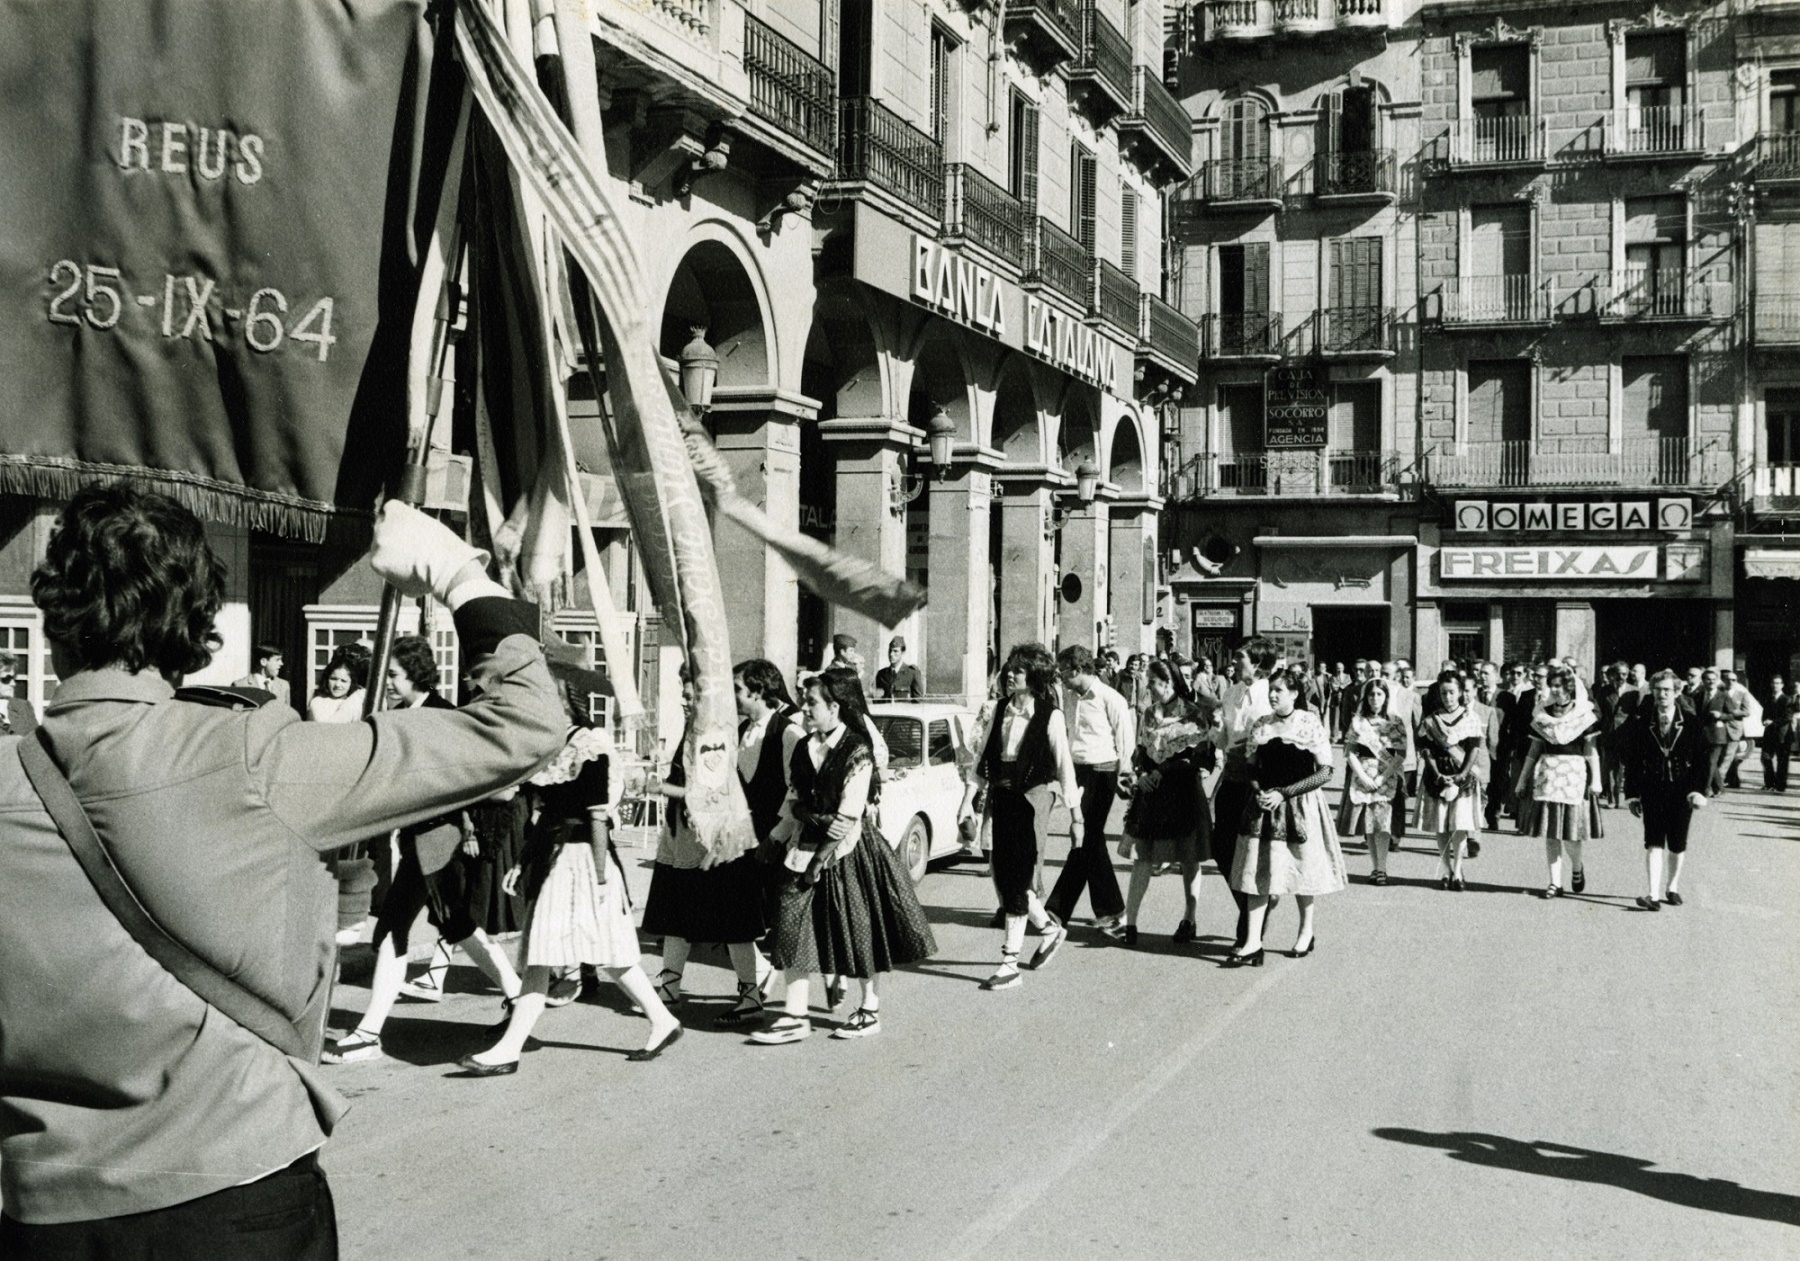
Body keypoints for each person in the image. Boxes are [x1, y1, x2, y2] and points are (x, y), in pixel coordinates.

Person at [0, 488, 564, 1256]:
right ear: (197, 625)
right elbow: (527, 720)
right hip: (235, 1191)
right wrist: (456, 569)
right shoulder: (249, 756)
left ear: (53, 618)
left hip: (44, 1209)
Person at [323, 635, 527, 1061]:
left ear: (416, 674)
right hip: (419, 839)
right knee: (456, 924)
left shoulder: (447, 716)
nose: (391, 683)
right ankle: (517, 996)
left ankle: (368, 1032)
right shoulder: (401, 715)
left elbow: (485, 780)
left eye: (395, 675)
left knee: (392, 929)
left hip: (442, 840)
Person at [460, 689, 682, 1074]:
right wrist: (522, 861)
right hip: (556, 859)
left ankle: (661, 1021)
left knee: (599, 953)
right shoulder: (553, 747)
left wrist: (599, 877)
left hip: (582, 861)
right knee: (548, 956)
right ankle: (661, 1021)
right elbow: (544, 817)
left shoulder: (590, 747)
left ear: (563, 705)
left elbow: (597, 818)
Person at [751, 672, 936, 1040]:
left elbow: (848, 816)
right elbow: (793, 801)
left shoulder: (857, 750)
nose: (804, 707)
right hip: (805, 844)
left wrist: (818, 861)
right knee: (791, 923)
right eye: (804, 700)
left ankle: (869, 1007)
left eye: (812, 702)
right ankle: (795, 1015)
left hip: (848, 850)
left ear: (834, 707)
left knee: (857, 927)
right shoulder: (805, 746)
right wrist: (773, 841)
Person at [637, 663, 783, 1027]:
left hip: (714, 841)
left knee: (732, 921)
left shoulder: (714, 734)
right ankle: (670, 987)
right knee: (676, 915)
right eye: (682, 694)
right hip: (682, 836)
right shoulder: (694, 728)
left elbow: (708, 794)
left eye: (689, 695)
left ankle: (751, 993)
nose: (683, 701)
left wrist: (658, 788)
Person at [965, 644, 1079, 990]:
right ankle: (1047, 928)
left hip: (1033, 799)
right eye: (1009, 668)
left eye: (1019, 669)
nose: (1010, 674)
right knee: (1004, 872)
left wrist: (1077, 817)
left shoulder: (1050, 715)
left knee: (1019, 876)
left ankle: (1009, 963)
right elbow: (982, 760)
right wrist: (966, 801)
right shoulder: (998, 709)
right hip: (1002, 797)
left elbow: (1065, 768)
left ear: (1035, 676)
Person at [1225, 670, 1345, 965]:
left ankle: (1306, 931)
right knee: (1257, 873)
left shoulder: (1308, 723)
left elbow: (1325, 771)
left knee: (1300, 870)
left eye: (1279, 690)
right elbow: (1251, 767)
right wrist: (1259, 792)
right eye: (1271, 691)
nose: (1273, 695)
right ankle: (1253, 942)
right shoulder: (1262, 725)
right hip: (1265, 805)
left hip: (1301, 805)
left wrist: (1286, 793)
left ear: (1294, 693)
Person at [1116, 659, 1216, 943]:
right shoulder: (1149, 714)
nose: (1149, 687)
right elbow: (1142, 751)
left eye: (1153, 683)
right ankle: (1131, 922)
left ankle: (1189, 917)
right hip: (1153, 792)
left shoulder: (1193, 714)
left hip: (1182, 790)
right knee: (1142, 856)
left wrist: (1163, 770)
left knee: (1189, 857)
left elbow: (1197, 755)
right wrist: (1143, 774)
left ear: (1169, 682)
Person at [1045, 645, 1134, 935]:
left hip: (1103, 773)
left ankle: (1057, 910)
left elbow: (1125, 741)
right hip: (1078, 772)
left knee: (1088, 837)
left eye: (1063, 672)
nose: (1061, 678)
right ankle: (1111, 911)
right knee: (1089, 841)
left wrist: (1125, 775)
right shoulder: (1069, 698)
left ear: (1077, 670)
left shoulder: (1111, 698)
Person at [1621, 670, 1711, 912]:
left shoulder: (1692, 723)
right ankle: (1653, 894)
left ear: (1677, 692)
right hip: (1652, 788)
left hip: (1682, 790)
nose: (1662, 694)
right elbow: (1633, 761)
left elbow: (1703, 760)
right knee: (1653, 841)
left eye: (1667, 690)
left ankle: (1671, 887)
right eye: (1658, 690)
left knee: (1677, 843)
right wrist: (1632, 794)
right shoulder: (1642, 723)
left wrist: (1698, 790)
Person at [1514, 666, 1603, 900]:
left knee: (1572, 834)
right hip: (1548, 776)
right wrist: (1522, 780)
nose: (1553, 690)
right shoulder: (1542, 714)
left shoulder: (1583, 714)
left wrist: (1597, 780)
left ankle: (1576, 866)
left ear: (1569, 688)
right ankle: (1554, 882)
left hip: (1574, 776)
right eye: (1551, 685)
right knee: (1551, 833)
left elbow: (1591, 750)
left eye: (1558, 686)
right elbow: (1533, 751)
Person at [1213, 639, 1276, 951]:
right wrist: (1212, 730)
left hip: (1258, 781)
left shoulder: (1270, 694)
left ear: (1259, 664)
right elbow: (1223, 739)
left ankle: (1250, 936)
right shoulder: (1231, 692)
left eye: (1240, 658)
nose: (1234, 662)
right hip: (1231, 777)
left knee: (1252, 855)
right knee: (1220, 847)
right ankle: (1255, 907)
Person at [1415, 671, 1487, 892]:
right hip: (1437, 776)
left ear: (1460, 692)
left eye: (1452, 692)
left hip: (1462, 776)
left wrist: (1462, 774)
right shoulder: (1430, 719)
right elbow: (1425, 749)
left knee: (1460, 826)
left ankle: (1458, 870)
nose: (1448, 697)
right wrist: (1436, 772)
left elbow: (1474, 748)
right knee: (1441, 825)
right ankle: (1446, 869)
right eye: (1444, 692)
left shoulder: (1470, 717)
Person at [1339, 678, 1405, 885]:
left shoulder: (1395, 721)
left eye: (1379, 694)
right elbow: (1349, 752)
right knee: (1369, 825)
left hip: (1386, 777)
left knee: (1383, 825)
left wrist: (1382, 777)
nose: (1375, 698)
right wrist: (1364, 776)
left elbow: (1400, 754)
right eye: (1371, 694)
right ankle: (1374, 866)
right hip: (1363, 776)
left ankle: (1382, 868)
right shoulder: (1358, 722)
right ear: (1365, 698)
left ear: (1386, 697)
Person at [1699, 666, 1745, 794]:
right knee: (1708, 763)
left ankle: (1706, 789)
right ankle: (1719, 788)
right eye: (1708, 679)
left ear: (1717, 680)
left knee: (1711, 762)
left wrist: (1721, 716)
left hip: (1717, 735)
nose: (1711, 682)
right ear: (1703, 681)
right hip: (1702, 735)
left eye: (1714, 679)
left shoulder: (1723, 696)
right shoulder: (1699, 695)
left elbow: (1733, 714)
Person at [307, 649, 367, 724]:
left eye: (343, 681)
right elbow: (328, 728)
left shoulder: (356, 703)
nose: (337, 685)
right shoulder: (318, 702)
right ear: (327, 679)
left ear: (351, 683)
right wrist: (355, 698)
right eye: (333, 679)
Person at [1761, 674, 1795, 792]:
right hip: (1769, 733)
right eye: (1773, 683)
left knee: (1781, 761)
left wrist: (1772, 722)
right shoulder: (1768, 698)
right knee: (1765, 757)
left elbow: (1788, 717)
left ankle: (1780, 785)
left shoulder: (1787, 699)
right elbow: (1764, 714)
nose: (1775, 685)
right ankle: (1770, 783)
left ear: (1782, 685)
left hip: (1782, 734)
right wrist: (1764, 721)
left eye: (1777, 683)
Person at [874, 635, 923, 700]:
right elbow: (878, 700)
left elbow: (918, 701)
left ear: (903, 653)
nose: (891, 654)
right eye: (890, 651)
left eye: (895, 651)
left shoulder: (912, 673)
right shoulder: (881, 674)